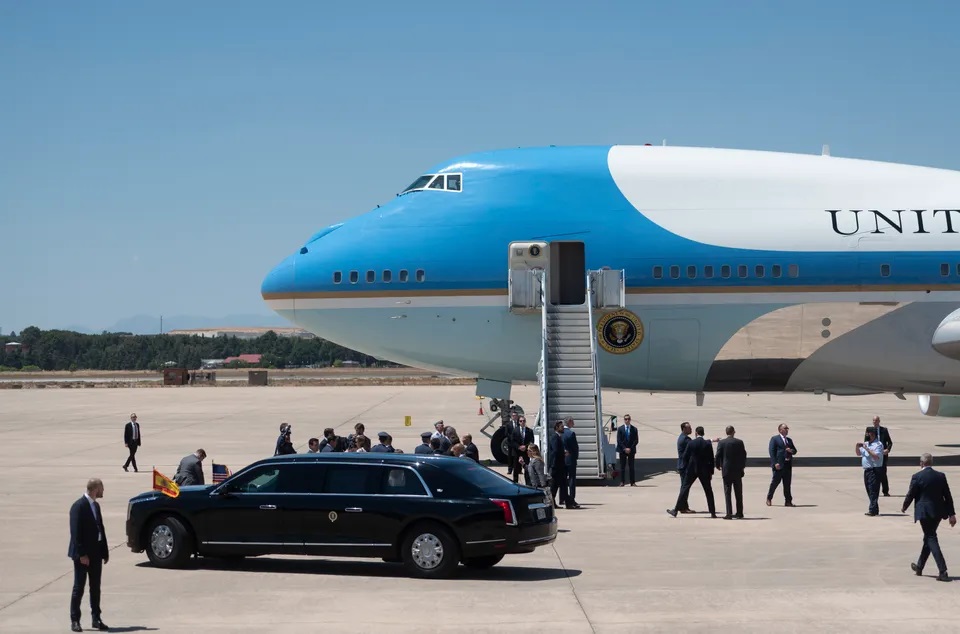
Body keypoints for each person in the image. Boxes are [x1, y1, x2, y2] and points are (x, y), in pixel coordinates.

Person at [902, 453, 957, 581]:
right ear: (931, 462)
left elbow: (911, 494)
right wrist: (951, 514)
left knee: (931, 538)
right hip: (938, 512)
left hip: (924, 513)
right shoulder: (940, 476)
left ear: (921, 463)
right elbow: (947, 496)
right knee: (928, 537)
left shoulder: (917, 476)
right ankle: (920, 567)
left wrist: (904, 506)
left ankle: (943, 571)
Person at [68, 478, 109, 632]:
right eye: (102, 488)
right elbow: (75, 533)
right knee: (79, 588)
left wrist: (104, 551)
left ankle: (96, 618)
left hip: (96, 552)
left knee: (95, 587)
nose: (103, 491)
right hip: (83, 555)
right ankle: (75, 620)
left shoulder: (96, 506)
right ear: (95, 489)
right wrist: (82, 554)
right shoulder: (78, 507)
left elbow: (100, 529)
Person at [668, 426, 716, 518]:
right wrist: (711, 472)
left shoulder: (691, 443)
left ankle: (675, 510)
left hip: (692, 470)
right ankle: (712, 512)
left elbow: (685, 456)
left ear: (696, 433)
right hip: (704, 470)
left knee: (684, 488)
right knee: (708, 491)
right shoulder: (707, 444)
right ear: (703, 433)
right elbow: (711, 459)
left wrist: (686, 468)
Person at [715, 425, 747, 519]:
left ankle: (729, 513)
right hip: (737, 470)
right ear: (733, 432)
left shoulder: (722, 442)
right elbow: (743, 456)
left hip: (727, 470)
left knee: (727, 492)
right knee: (738, 492)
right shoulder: (739, 442)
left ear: (726, 432)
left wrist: (717, 465)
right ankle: (739, 512)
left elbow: (718, 455)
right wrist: (742, 467)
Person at [766, 423, 797, 507]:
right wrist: (775, 462)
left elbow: (795, 450)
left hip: (787, 464)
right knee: (775, 482)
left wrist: (791, 451)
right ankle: (769, 498)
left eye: (787, 428)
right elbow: (772, 452)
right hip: (779, 465)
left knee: (787, 484)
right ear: (780, 430)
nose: (787, 430)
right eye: (785, 428)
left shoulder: (789, 440)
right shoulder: (775, 439)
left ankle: (788, 501)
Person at [857, 428, 884, 516]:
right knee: (869, 489)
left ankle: (872, 510)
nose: (868, 436)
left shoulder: (878, 445)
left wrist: (867, 449)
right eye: (867, 434)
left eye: (870, 434)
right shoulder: (866, 443)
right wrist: (857, 446)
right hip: (867, 470)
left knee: (873, 490)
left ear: (874, 435)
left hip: (874, 470)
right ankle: (875, 508)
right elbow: (858, 453)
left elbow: (876, 457)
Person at [865, 416, 894, 496]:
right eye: (873, 420)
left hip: (882, 455)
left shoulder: (884, 430)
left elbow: (890, 442)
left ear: (879, 421)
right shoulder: (869, 429)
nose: (875, 422)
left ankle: (885, 491)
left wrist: (887, 449)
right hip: (872, 455)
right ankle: (872, 490)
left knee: (883, 473)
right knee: (872, 472)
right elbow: (866, 441)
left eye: (876, 420)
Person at [548, 421, 568, 507]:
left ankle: (564, 501)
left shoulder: (559, 437)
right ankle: (552, 502)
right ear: (557, 428)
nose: (563, 428)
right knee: (554, 485)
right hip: (556, 466)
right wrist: (563, 453)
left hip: (560, 465)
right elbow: (555, 451)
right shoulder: (554, 437)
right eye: (561, 427)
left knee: (560, 484)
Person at [562, 417, 581, 509]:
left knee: (563, 480)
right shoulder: (571, 433)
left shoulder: (560, 433)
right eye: (572, 421)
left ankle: (562, 498)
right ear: (569, 422)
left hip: (562, 460)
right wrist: (575, 457)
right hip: (570, 460)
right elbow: (575, 448)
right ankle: (571, 499)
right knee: (572, 479)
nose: (573, 423)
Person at [510, 416, 534, 485]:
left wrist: (525, 447)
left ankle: (528, 484)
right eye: (521, 421)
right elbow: (512, 441)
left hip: (526, 453)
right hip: (517, 453)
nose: (522, 422)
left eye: (523, 421)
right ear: (519, 422)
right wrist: (518, 447)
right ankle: (515, 483)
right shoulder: (515, 430)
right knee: (516, 469)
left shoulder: (529, 431)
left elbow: (531, 441)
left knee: (527, 469)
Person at [676, 422, 694, 513]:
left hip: (682, 466)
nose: (691, 429)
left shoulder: (682, 437)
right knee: (685, 487)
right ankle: (682, 507)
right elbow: (695, 446)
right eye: (689, 428)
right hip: (685, 467)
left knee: (684, 487)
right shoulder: (685, 439)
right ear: (684, 429)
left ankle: (683, 506)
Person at [616, 414, 639, 486]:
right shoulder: (620, 429)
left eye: (628, 419)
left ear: (630, 420)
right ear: (624, 420)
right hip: (622, 450)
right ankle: (622, 482)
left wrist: (630, 448)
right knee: (622, 467)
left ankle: (632, 482)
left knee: (631, 467)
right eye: (626, 419)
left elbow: (636, 440)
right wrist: (624, 448)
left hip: (631, 451)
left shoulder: (634, 429)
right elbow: (619, 440)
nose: (627, 420)